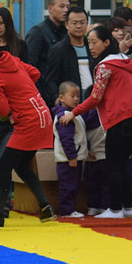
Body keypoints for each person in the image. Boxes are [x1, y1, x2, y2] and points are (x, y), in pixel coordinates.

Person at [0, 35, 56, 227]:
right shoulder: (10, 58)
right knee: (22, 166)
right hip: (42, 114)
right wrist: (21, 91)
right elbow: (35, 73)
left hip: (28, 121)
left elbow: (3, 110)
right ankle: (45, 207)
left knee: (2, 167)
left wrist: (9, 102)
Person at [60, 25, 132, 219]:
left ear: (107, 43)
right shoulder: (125, 61)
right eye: (89, 42)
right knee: (123, 164)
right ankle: (129, 207)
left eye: (94, 42)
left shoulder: (106, 66)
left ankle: (115, 209)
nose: (90, 46)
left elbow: (96, 97)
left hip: (120, 119)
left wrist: (74, 112)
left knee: (113, 165)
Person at [51, 82, 87, 218]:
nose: (76, 99)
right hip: (67, 159)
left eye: (78, 96)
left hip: (73, 157)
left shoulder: (73, 114)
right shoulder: (64, 116)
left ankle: (70, 208)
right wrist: (71, 156)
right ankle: (67, 210)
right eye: (72, 96)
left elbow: (80, 135)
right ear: (61, 97)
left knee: (74, 184)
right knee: (68, 185)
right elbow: (66, 139)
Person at [43, 6, 92, 103]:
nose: (78, 26)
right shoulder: (58, 50)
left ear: (87, 23)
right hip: (71, 104)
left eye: (82, 22)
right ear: (66, 25)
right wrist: (56, 97)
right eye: (74, 23)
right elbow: (50, 80)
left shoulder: (92, 47)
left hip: (93, 102)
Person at [26, 0, 69, 98]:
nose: (66, 10)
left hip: (66, 92)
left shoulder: (67, 33)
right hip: (44, 92)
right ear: (50, 8)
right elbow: (30, 64)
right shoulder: (38, 31)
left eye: (68, 7)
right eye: (61, 6)